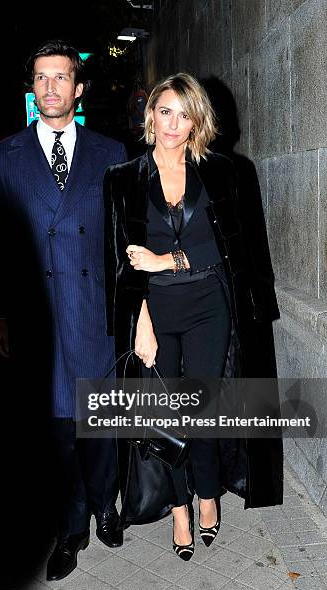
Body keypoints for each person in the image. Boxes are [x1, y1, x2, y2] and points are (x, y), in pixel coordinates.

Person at [104, 73, 283, 561]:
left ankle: (208, 495)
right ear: (151, 115)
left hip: (209, 306)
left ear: (197, 122)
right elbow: (119, 261)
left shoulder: (223, 173)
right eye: (165, 111)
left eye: (184, 115)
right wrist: (139, 320)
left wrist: (168, 261)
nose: (173, 124)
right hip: (155, 310)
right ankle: (179, 507)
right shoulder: (122, 179)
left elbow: (229, 249)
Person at [0, 39, 127, 581]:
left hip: (94, 307)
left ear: (78, 87)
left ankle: (106, 505)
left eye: (61, 77)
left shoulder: (110, 152)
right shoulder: (5, 156)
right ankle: (71, 528)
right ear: (32, 88)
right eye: (41, 78)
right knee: (58, 430)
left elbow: (122, 238)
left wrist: (135, 310)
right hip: (38, 314)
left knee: (100, 420)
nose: (50, 87)